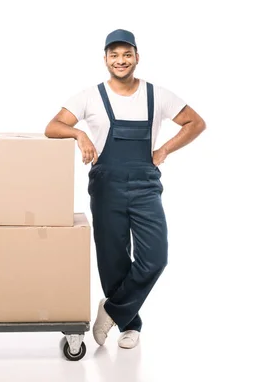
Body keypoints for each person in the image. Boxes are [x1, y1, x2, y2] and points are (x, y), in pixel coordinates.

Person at [45, 29, 206, 349]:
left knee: (155, 258)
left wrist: (162, 152)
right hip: (107, 186)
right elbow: (52, 127)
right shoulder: (89, 96)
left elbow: (195, 123)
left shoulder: (156, 94)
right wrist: (80, 135)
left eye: (127, 54)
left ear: (136, 57)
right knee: (112, 259)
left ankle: (113, 311)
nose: (121, 60)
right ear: (105, 59)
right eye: (114, 55)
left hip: (146, 185)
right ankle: (131, 325)